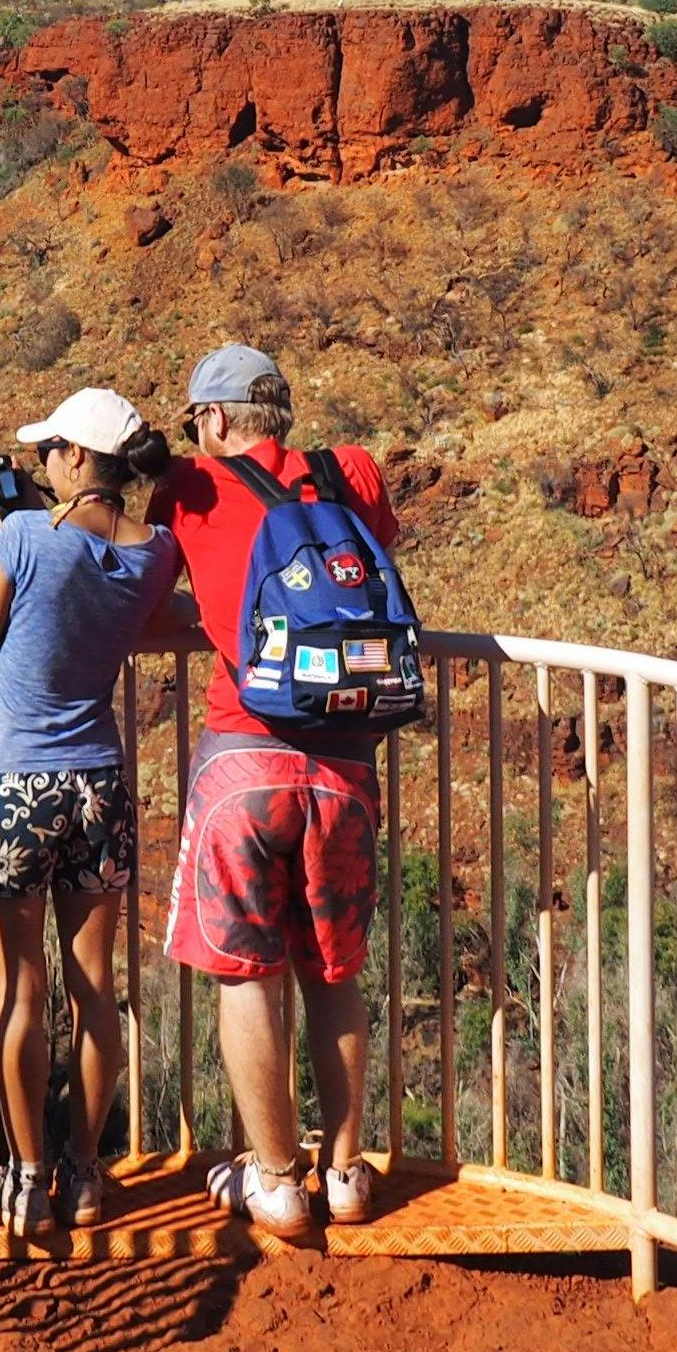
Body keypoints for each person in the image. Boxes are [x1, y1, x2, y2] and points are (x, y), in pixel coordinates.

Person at [150, 341, 407, 1243]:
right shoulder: (352, 471)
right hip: (345, 763)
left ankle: (275, 1182)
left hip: (245, 758)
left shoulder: (188, 485)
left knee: (246, 977)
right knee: (332, 973)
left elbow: (142, 585)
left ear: (214, 418)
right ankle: (345, 1173)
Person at [0, 383, 179, 1239]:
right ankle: (84, 1173)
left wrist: (4, 532)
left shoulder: (22, 537)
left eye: (50, 451)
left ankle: (27, 1177)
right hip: (98, 785)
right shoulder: (157, 554)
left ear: (77, 457)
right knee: (94, 989)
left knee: (20, 989)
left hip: (13, 783)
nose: (42, 465)